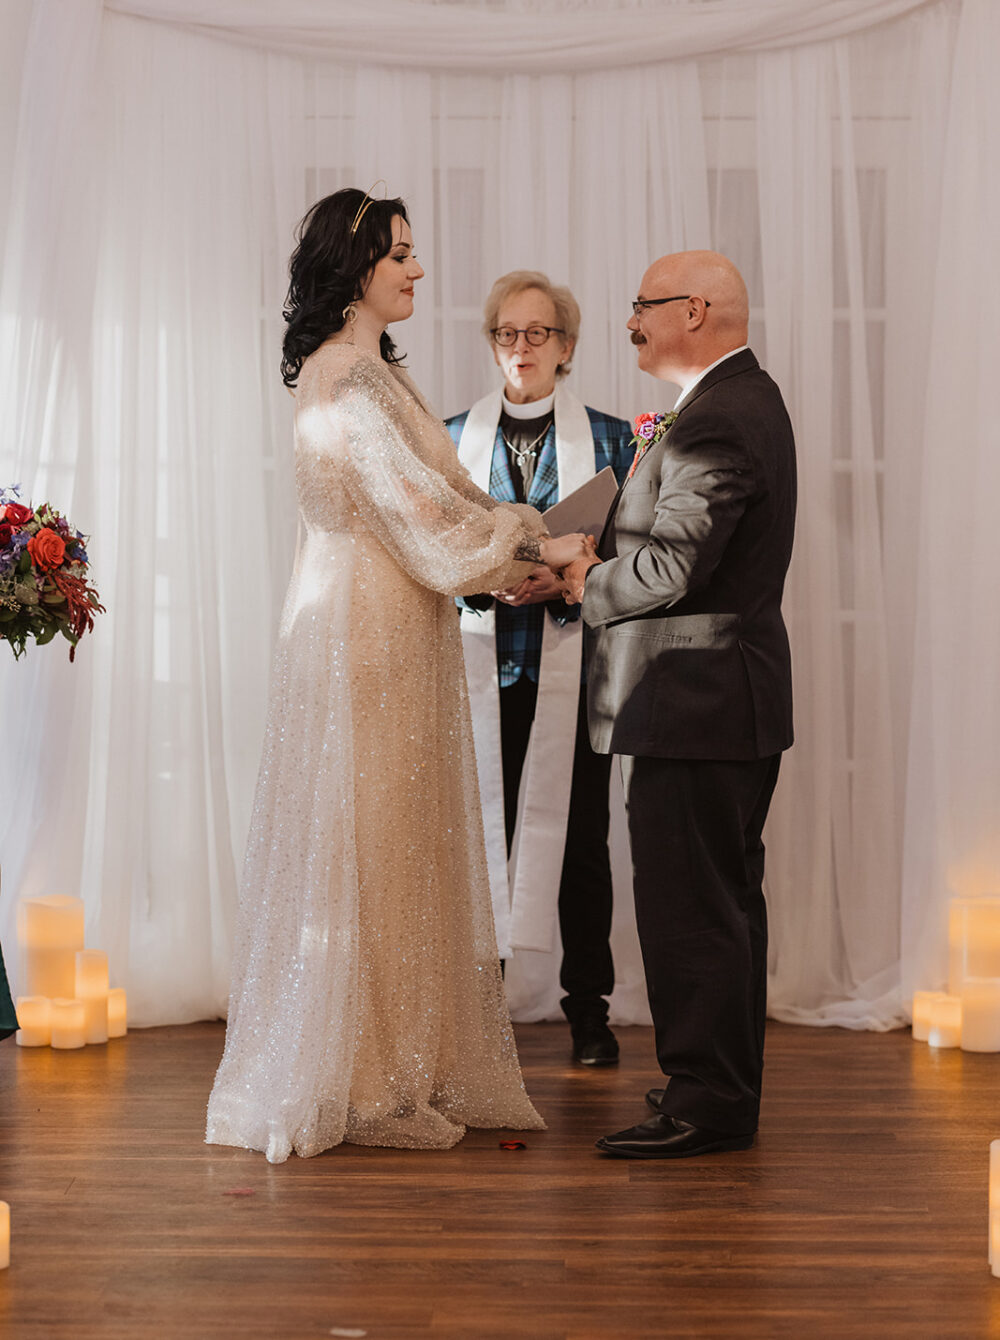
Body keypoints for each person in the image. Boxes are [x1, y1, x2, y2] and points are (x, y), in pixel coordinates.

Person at [206, 188, 586, 1161]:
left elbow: (447, 498)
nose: (418, 271)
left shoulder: (378, 370)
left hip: (391, 612)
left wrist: (524, 540)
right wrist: (525, 547)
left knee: (398, 840)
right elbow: (418, 514)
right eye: (401, 256)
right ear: (355, 267)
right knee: (371, 845)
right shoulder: (346, 376)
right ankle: (363, 1075)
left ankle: (394, 1058)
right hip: (365, 627)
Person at [562, 249, 796, 1159]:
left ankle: (707, 1102)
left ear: (694, 310)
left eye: (642, 306)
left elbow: (669, 569)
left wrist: (585, 575)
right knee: (722, 903)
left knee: (693, 908)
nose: (631, 321)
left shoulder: (721, 419)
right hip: (713, 700)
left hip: (695, 703)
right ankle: (719, 1087)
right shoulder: (733, 401)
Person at [446, 272, 633, 1067]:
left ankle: (588, 1011)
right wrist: (489, 575)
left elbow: (634, 552)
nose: (521, 348)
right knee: (474, 841)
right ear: (492, 342)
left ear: (567, 347)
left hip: (574, 668)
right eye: (507, 333)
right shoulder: (452, 437)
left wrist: (565, 576)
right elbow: (435, 548)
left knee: (582, 843)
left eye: (538, 334)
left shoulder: (616, 436)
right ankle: (475, 1013)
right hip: (475, 670)